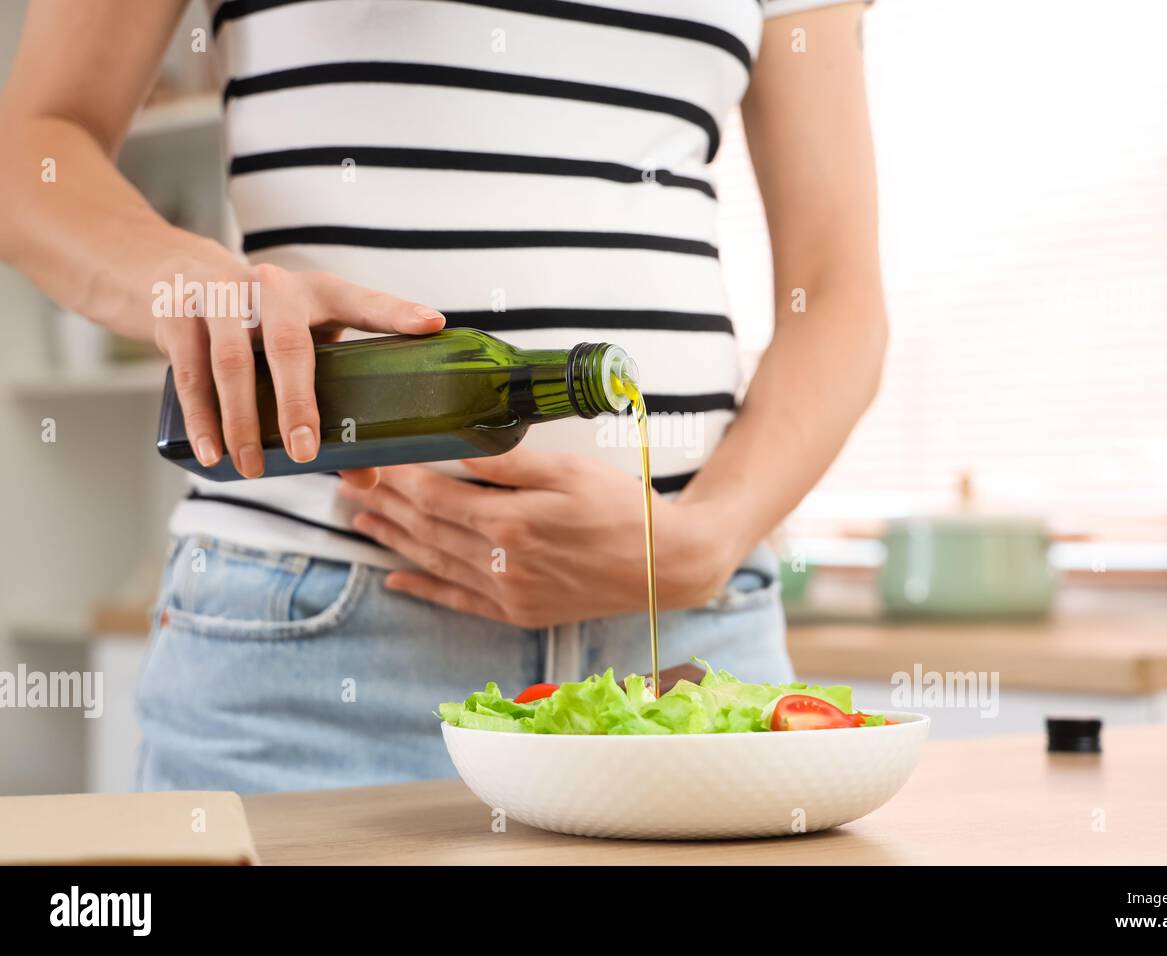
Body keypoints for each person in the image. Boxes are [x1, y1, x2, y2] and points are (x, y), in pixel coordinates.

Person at [0, 0, 887, 792]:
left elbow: (838, 291)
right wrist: (190, 279)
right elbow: (32, 149)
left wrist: (706, 539)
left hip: (696, 642)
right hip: (315, 659)